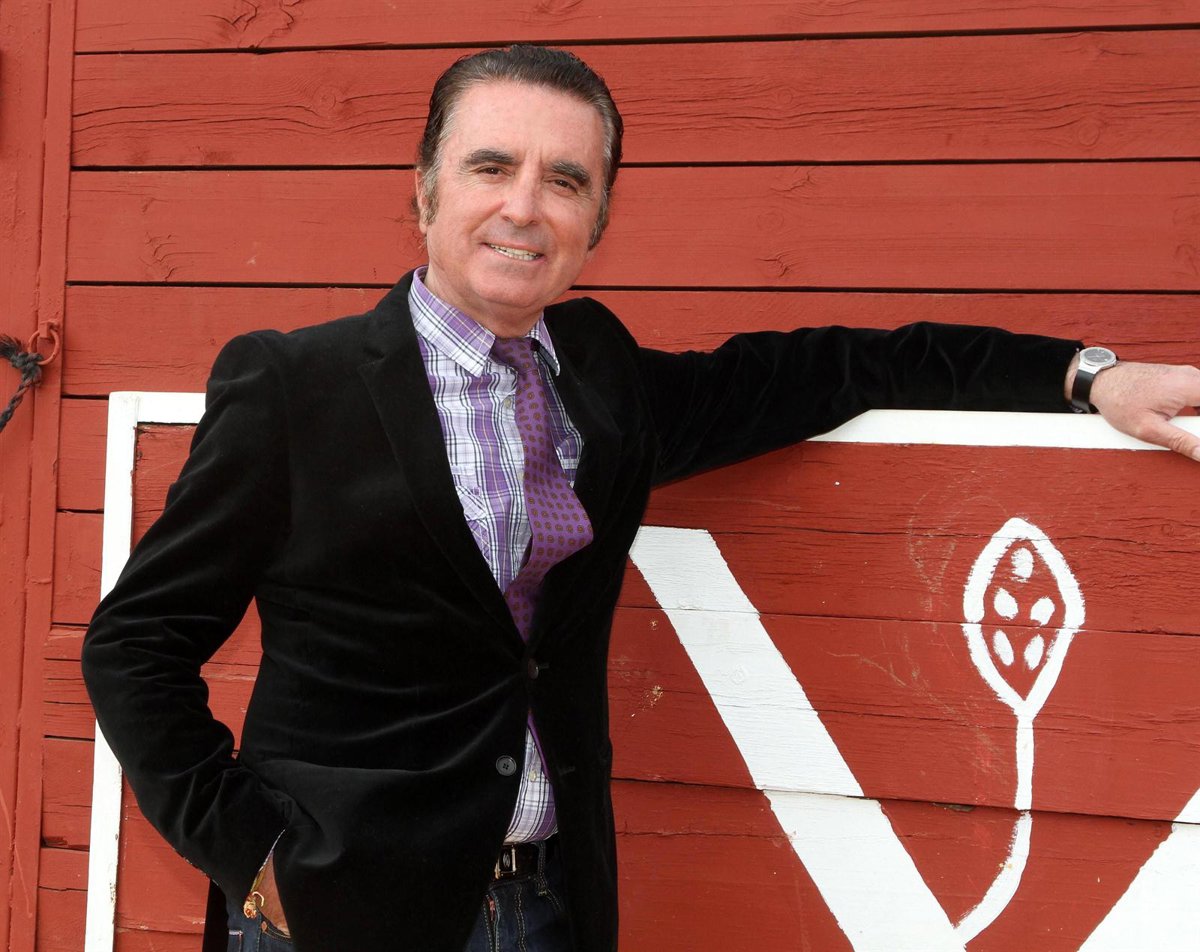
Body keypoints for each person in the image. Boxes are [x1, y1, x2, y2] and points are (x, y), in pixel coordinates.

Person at [81, 45, 1200, 952]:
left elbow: (834, 367)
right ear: (424, 189)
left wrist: (1085, 376)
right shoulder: (294, 385)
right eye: (491, 167)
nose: (525, 207)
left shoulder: (599, 373)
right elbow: (134, 646)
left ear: (599, 221)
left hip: (546, 902)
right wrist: (256, 858)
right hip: (342, 913)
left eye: (566, 181)